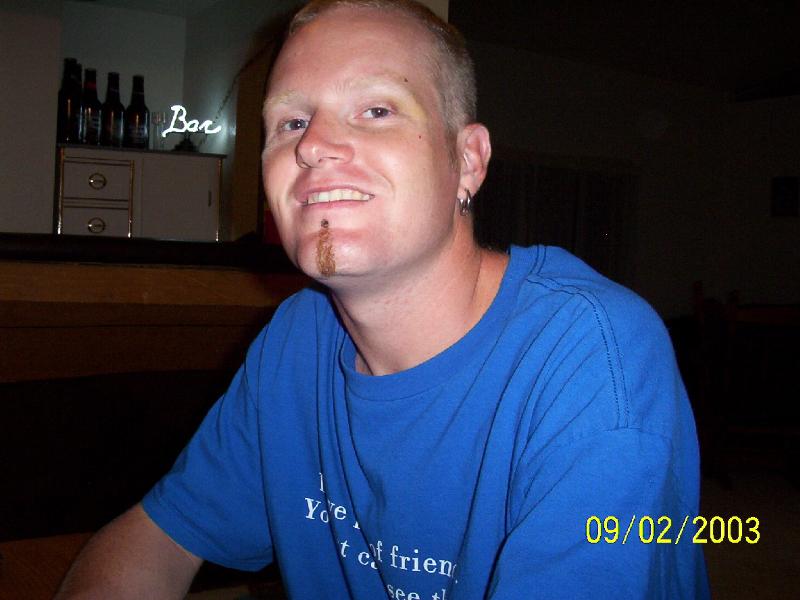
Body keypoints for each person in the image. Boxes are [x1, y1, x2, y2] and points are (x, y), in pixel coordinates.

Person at [57, 1, 709, 598]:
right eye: (291, 121)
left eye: (376, 110)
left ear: (468, 161)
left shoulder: (592, 354)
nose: (312, 145)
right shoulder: (296, 340)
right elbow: (158, 541)